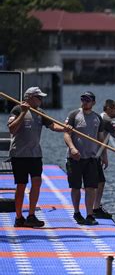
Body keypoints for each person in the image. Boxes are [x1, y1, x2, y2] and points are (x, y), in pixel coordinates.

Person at [8, 87, 72, 227]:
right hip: (19, 154)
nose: (41, 100)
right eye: (39, 97)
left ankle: (31, 215)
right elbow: (12, 129)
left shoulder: (40, 113)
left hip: (35, 154)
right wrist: (23, 112)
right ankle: (19, 217)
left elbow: (53, 126)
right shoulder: (17, 110)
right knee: (21, 185)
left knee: (37, 182)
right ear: (29, 97)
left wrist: (65, 128)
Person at [64, 91, 106, 225]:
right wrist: (72, 148)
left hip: (91, 158)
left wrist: (104, 156)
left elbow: (101, 140)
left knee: (91, 187)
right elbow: (66, 134)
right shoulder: (73, 115)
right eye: (83, 99)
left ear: (93, 102)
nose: (85, 102)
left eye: (88, 100)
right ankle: (77, 213)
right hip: (75, 158)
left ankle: (89, 215)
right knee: (76, 187)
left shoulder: (97, 118)